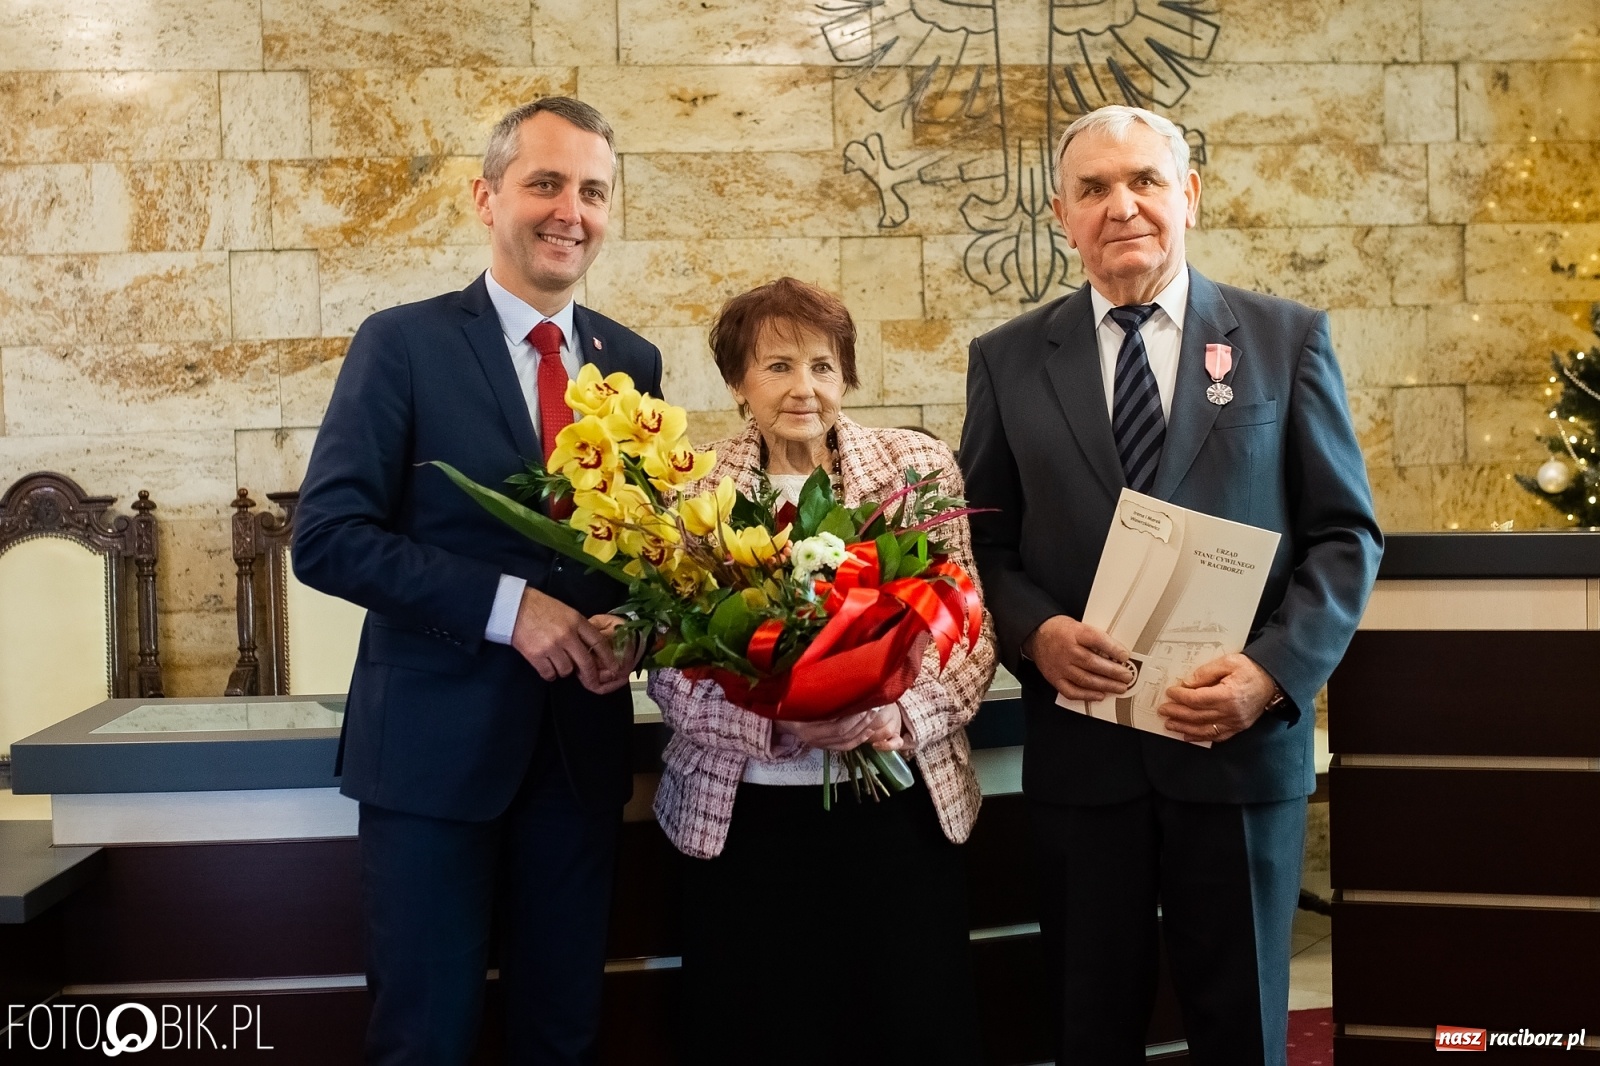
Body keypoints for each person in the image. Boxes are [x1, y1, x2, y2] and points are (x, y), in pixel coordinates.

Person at [959, 105, 1382, 1066]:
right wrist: (1036, 635)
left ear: (1188, 195)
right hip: (1084, 756)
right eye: (1094, 189)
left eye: (1145, 181)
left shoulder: (1286, 341)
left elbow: (1345, 538)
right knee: (1088, 1026)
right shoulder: (1009, 358)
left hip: (1235, 756)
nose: (1123, 207)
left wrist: (1271, 678)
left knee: (1242, 1031)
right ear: (1062, 214)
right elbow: (978, 543)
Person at [292, 97, 660, 1065]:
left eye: (592, 190)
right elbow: (326, 536)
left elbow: (647, 553)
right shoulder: (402, 343)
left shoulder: (634, 362)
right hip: (430, 763)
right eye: (544, 183)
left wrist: (635, 622)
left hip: (578, 762)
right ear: (484, 196)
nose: (568, 211)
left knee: (563, 1031)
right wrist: (508, 610)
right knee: (425, 1037)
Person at [648, 277, 996, 1066]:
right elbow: (672, 671)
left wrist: (898, 717)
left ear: (847, 376)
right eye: (776, 367)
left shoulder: (916, 467)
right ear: (738, 383)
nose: (803, 388)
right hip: (746, 826)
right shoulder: (695, 492)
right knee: (763, 1031)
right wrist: (778, 723)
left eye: (822, 365)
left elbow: (968, 632)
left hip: (896, 808)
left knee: (907, 1028)